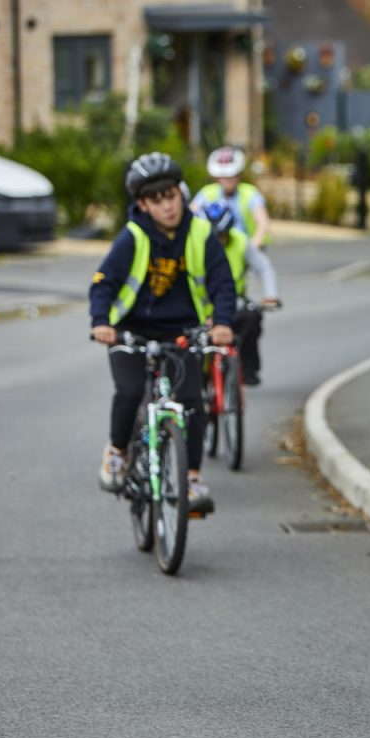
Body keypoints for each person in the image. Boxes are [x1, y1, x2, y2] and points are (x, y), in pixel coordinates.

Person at [90, 152, 237, 514]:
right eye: (157, 201)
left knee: (191, 404)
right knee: (128, 391)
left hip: (183, 332)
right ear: (143, 204)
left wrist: (221, 323)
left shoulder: (200, 232)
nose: (168, 207)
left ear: (181, 194)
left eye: (171, 196)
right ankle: (117, 452)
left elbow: (223, 284)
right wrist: (101, 323)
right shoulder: (133, 235)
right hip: (130, 332)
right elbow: (103, 283)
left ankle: (190, 479)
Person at [199, 201, 281, 385]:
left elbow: (263, 267)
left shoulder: (240, 241)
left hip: (232, 301)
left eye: (221, 236)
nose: (217, 241)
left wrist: (271, 295)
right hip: (200, 305)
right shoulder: (193, 242)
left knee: (251, 317)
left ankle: (246, 368)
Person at [190, 146, 271, 247]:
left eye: (231, 176)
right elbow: (190, 215)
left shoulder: (250, 193)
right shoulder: (207, 193)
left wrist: (253, 246)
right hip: (215, 248)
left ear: (238, 175)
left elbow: (262, 223)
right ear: (217, 177)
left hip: (246, 248)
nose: (227, 180)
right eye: (223, 176)